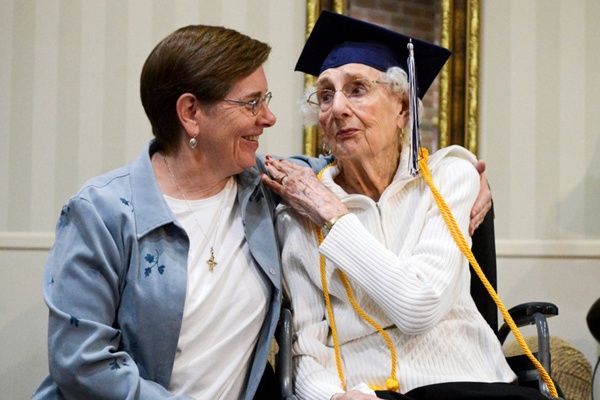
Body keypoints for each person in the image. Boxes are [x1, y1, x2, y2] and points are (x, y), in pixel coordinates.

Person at [31, 21, 492, 400]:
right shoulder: (103, 213)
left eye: (266, 101)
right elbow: (82, 364)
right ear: (191, 114)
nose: (269, 119)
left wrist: (467, 171)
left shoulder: (267, 187)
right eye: (252, 103)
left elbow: (351, 167)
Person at [262, 11, 551, 400]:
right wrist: (333, 397)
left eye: (357, 89)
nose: (338, 108)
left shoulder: (449, 177)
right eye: (326, 95)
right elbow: (307, 348)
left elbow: (419, 308)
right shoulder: (298, 213)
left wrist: (334, 217)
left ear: (402, 107)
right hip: (370, 392)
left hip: (470, 386)